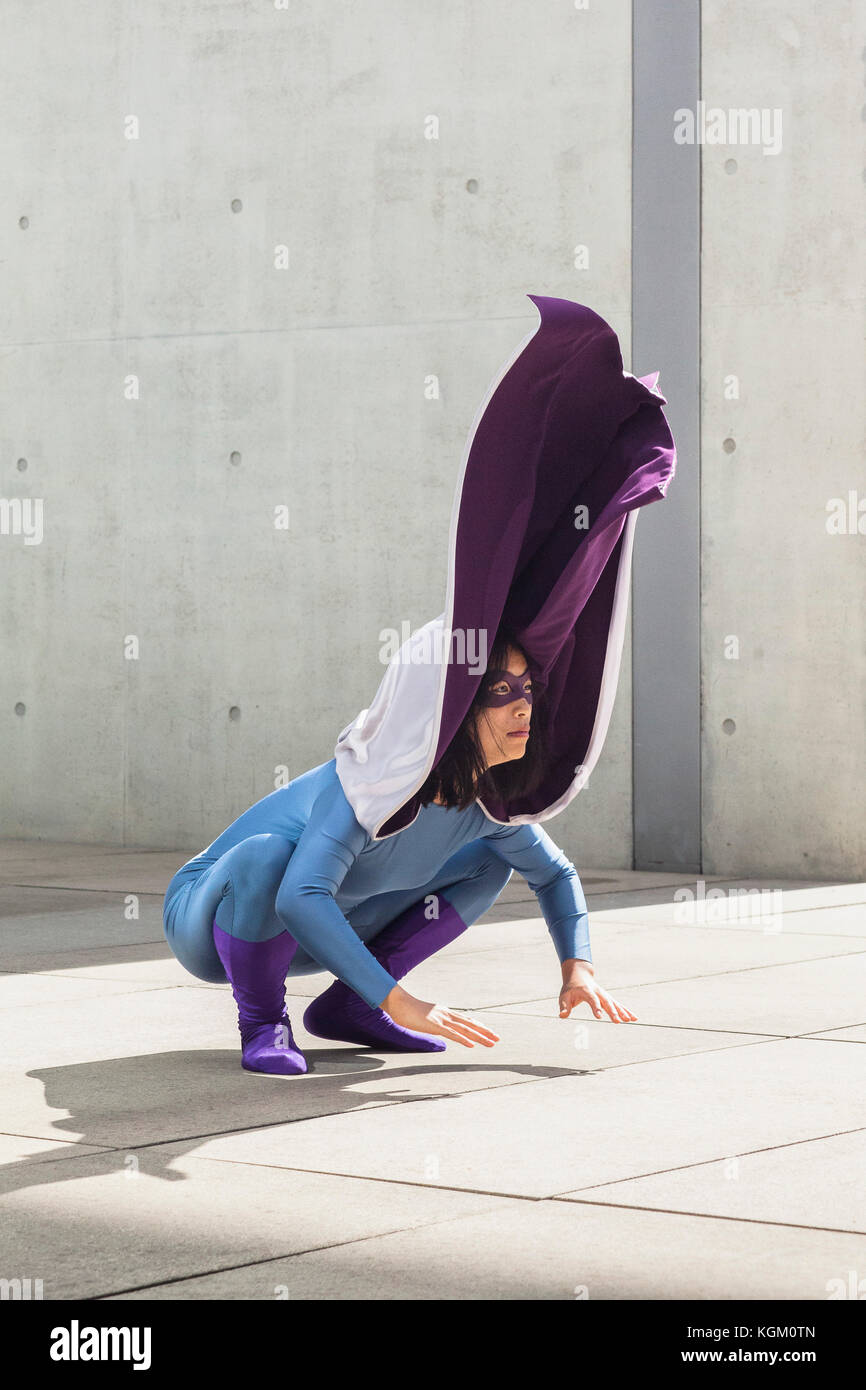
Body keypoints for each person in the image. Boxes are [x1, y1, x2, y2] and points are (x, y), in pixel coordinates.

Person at [162, 624, 636, 1078]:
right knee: (266, 855)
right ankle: (264, 1024)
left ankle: (351, 1003)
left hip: (313, 936)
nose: (523, 707)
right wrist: (399, 1000)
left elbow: (554, 875)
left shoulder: (488, 808)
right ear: (448, 708)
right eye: (499, 691)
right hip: (211, 929)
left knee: (491, 860)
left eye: (527, 688)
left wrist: (578, 970)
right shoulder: (367, 786)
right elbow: (299, 896)